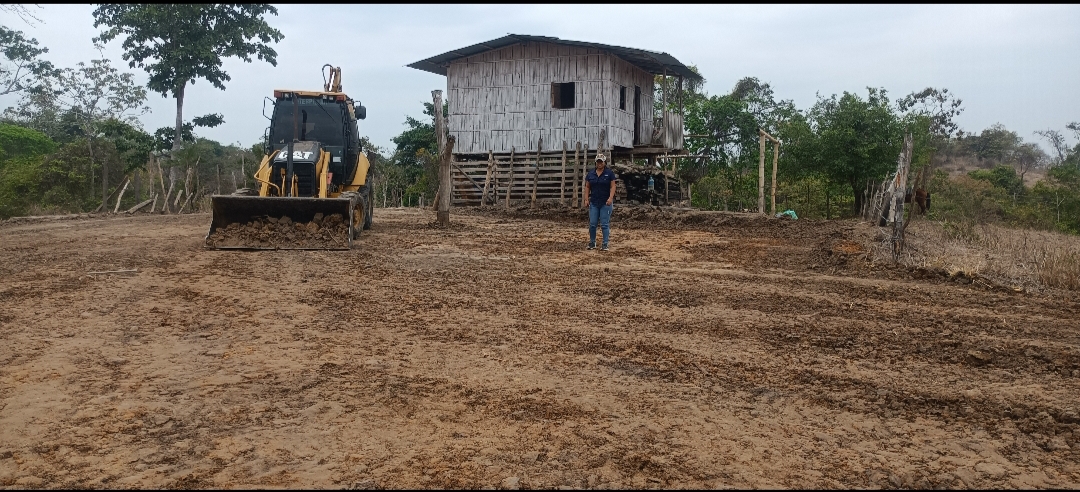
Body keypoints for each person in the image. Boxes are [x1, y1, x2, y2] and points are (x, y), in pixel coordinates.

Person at [583, 153, 617, 251]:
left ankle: (605, 243)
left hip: (605, 202)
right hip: (594, 202)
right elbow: (587, 187)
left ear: (604, 162)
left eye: (601, 162)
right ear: (595, 162)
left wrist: (610, 198)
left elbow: (613, 186)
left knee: (604, 224)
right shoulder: (591, 174)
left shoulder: (609, 173)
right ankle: (592, 242)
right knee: (592, 224)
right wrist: (586, 199)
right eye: (598, 162)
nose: (599, 163)